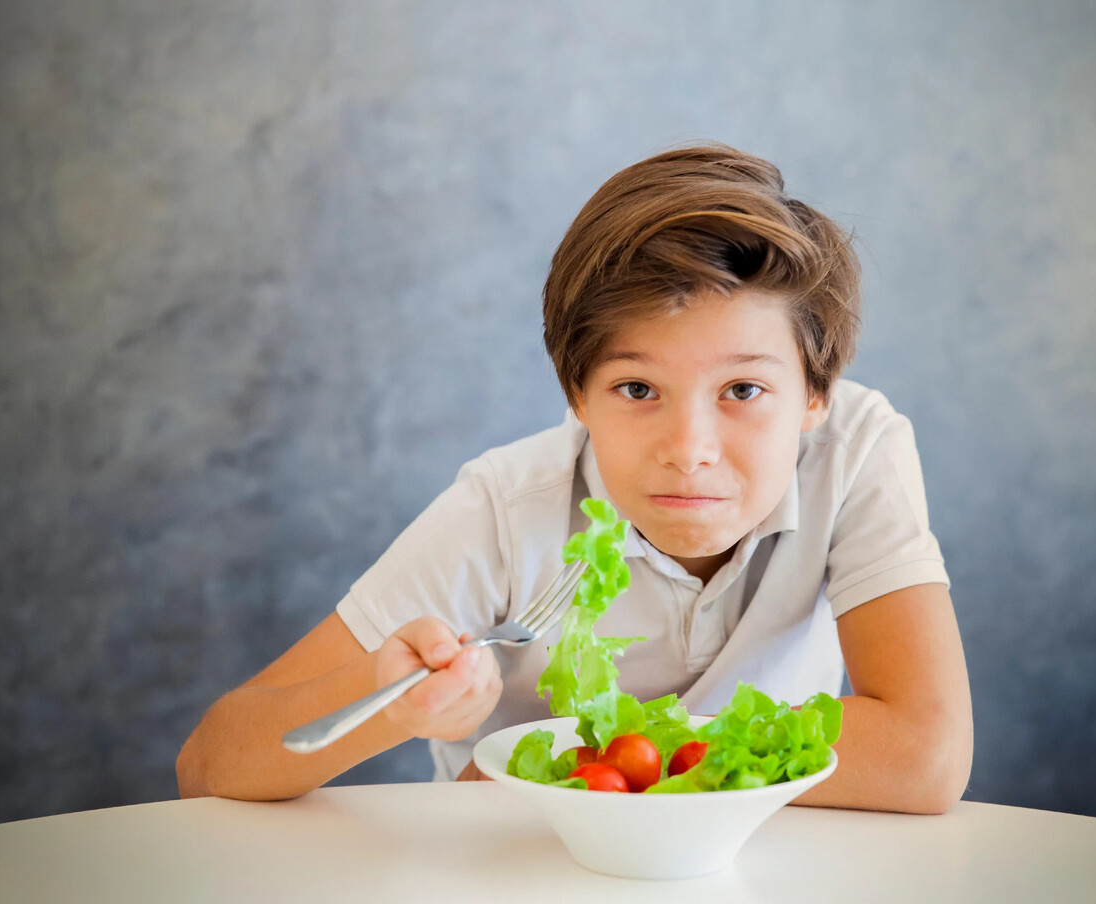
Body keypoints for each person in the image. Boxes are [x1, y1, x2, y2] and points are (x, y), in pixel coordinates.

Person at [177, 143, 972, 813]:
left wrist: (605, 761)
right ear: (577, 394)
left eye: (743, 391)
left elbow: (923, 753)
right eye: (637, 390)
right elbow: (210, 765)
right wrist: (388, 704)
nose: (690, 449)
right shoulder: (503, 509)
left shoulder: (856, 449)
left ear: (816, 396)